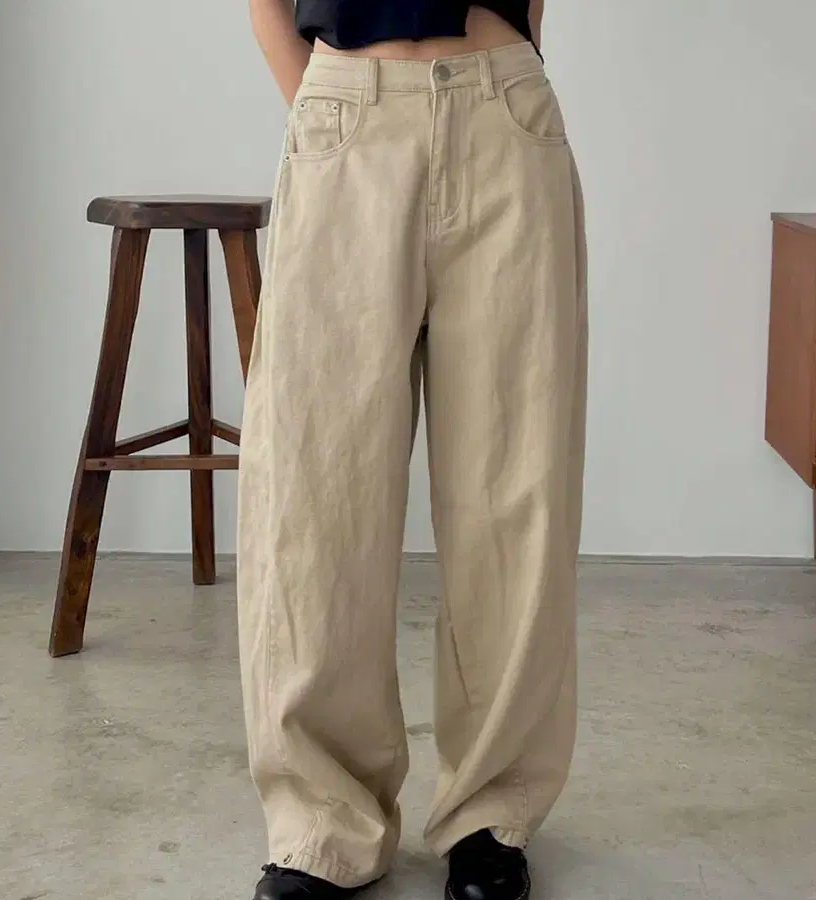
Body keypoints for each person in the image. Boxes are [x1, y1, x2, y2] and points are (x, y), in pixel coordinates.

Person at [238, 2, 587, 898]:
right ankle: (322, 822)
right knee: (317, 492)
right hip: (347, 110)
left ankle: (492, 813)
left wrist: (497, 82)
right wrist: (333, 103)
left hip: (505, 111)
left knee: (515, 488)